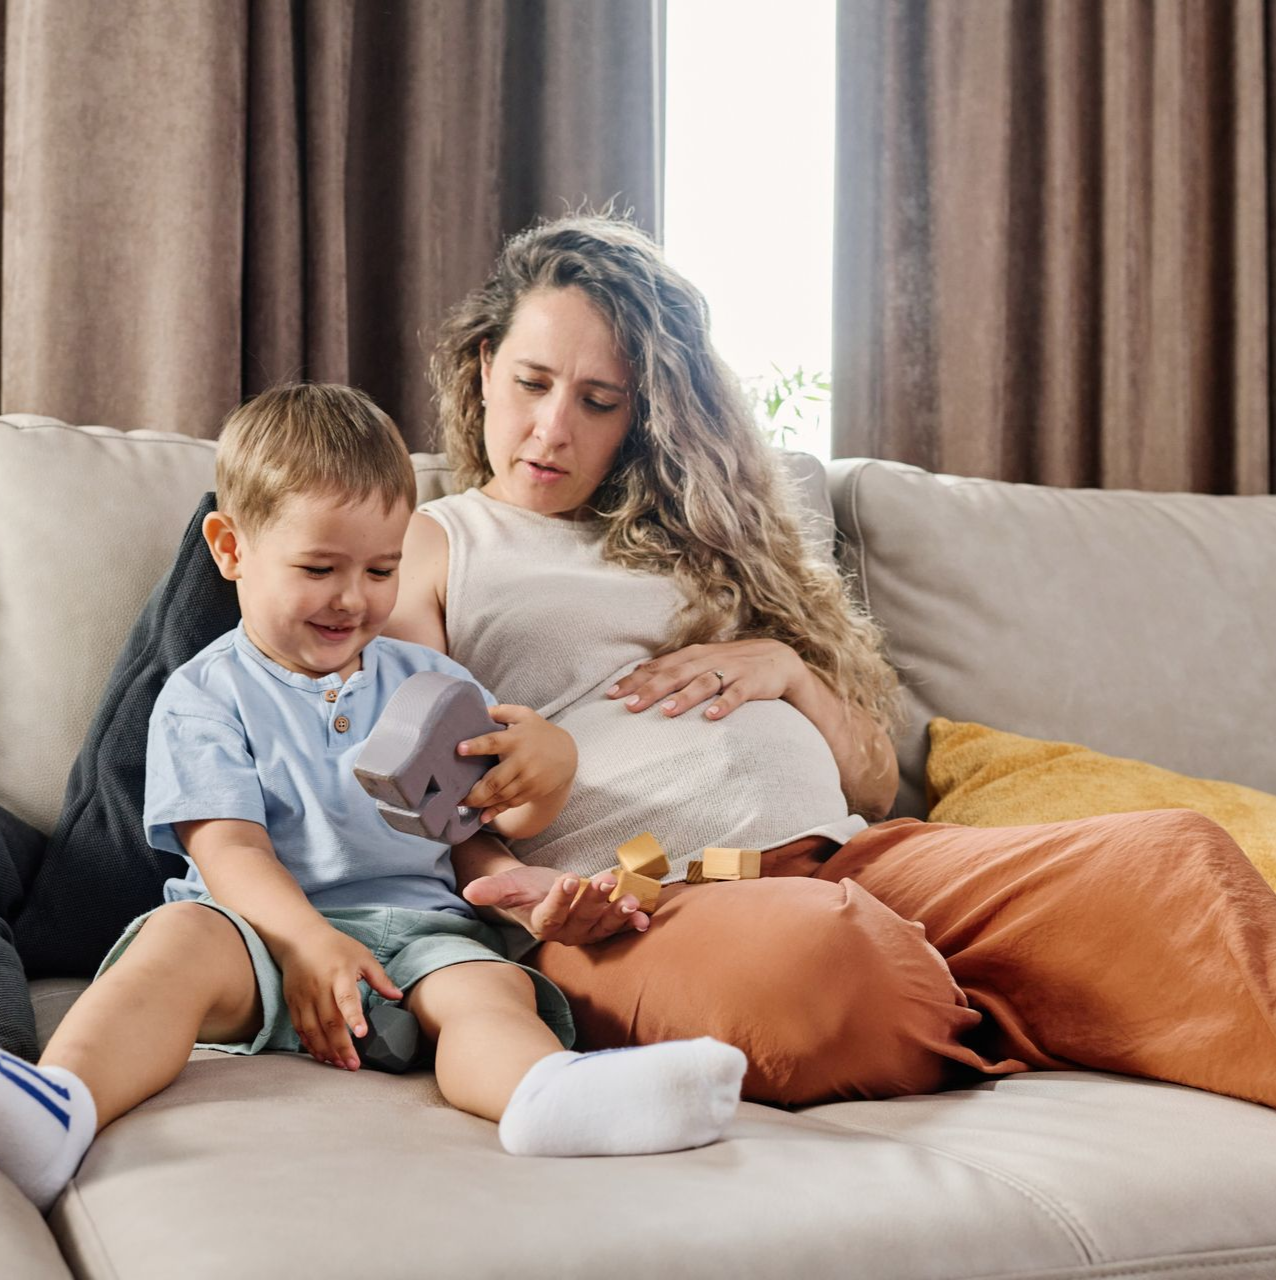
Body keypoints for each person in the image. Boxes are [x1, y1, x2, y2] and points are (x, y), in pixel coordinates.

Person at [386, 212, 1276, 1111]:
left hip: (859, 863)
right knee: (835, 963)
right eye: (533, 383)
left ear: (643, 415)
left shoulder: (703, 542)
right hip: (644, 903)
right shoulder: (431, 544)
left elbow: (875, 786)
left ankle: (982, 993)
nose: (553, 427)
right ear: (484, 364)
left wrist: (790, 671)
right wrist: (513, 896)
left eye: (599, 400)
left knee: (1174, 861)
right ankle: (993, 994)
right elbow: (419, 792)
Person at [0, 383, 746, 1213]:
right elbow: (228, 849)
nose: (354, 598)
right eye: (319, 568)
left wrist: (512, 867)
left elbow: (468, 834)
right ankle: (60, 1104)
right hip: (257, 939)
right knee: (174, 938)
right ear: (230, 547)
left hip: (419, 934)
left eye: (382, 569)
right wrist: (309, 943)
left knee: (487, 993)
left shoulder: (434, 684)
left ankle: (546, 1095)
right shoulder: (202, 693)